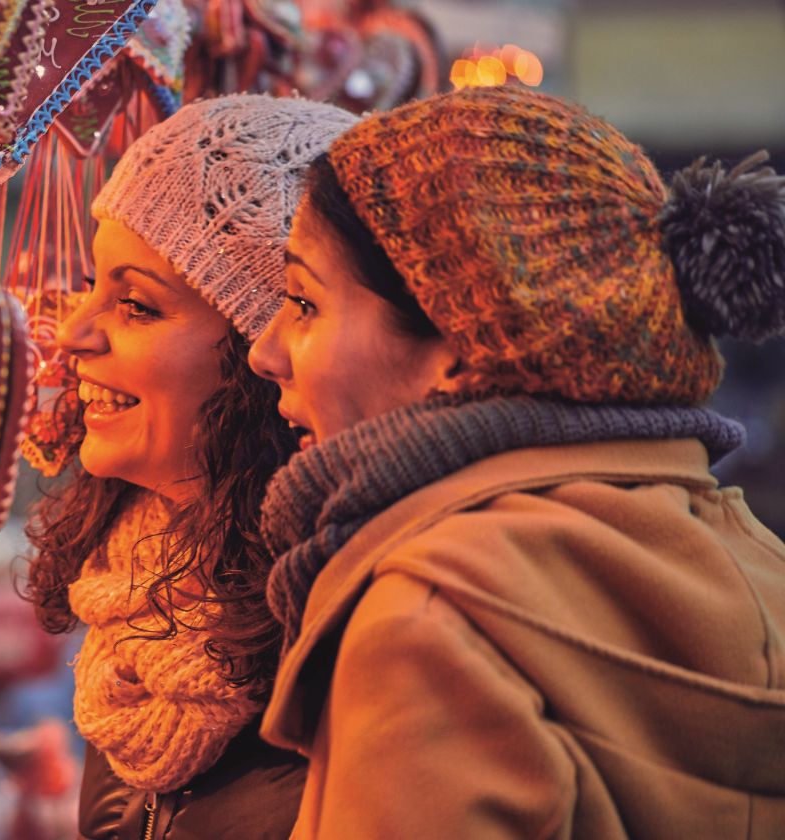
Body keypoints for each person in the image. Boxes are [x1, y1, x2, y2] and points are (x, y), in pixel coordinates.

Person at [247, 84, 785, 837]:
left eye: (304, 303)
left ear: (463, 352)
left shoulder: (429, 627)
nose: (264, 350)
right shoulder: (758, 564)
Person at [19, 94, 356, 839]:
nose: (74, 332)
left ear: (259, 356)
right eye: (91, 283)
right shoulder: (132, 600)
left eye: (136, 306)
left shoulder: (344, 637)